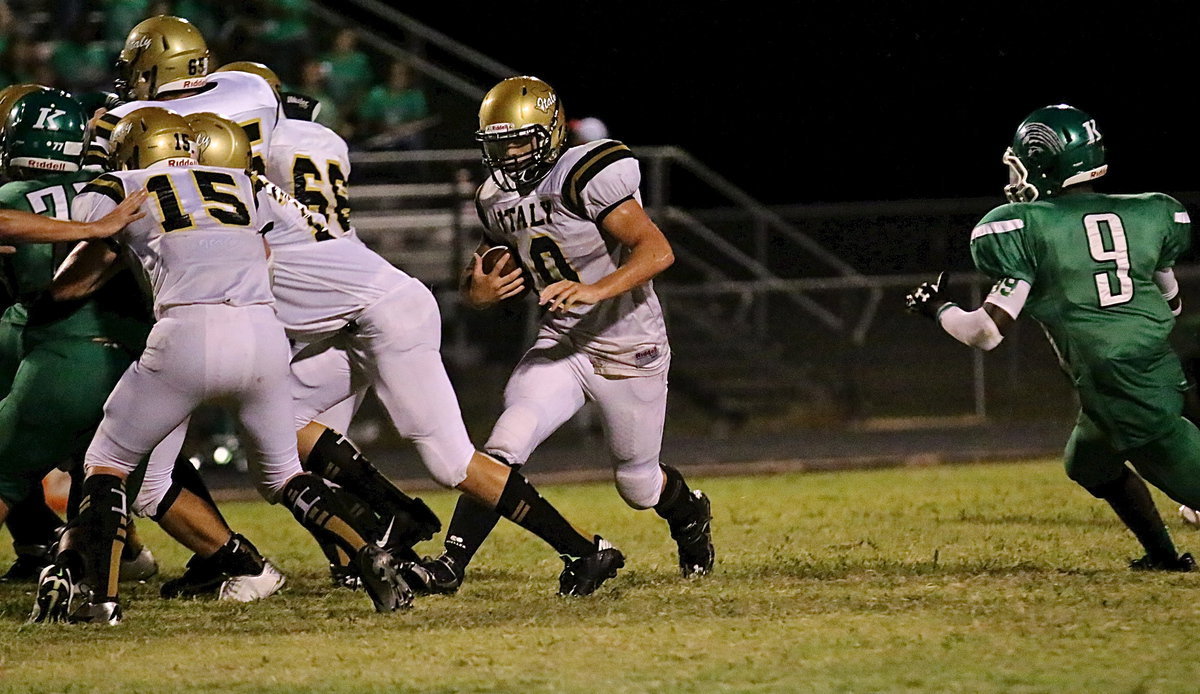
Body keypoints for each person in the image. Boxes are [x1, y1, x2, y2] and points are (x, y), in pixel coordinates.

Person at [161, 104, 626, 599]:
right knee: (278, 421)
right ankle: (398, 512)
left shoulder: (232, 210)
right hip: (353, 321)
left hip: (387, 317)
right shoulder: (259, 194)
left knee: (452, 463)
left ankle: (584, 549)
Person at [30, 107, 411, 625]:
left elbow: (86, 254)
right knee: (284, 477)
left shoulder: (123, 183)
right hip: (262, 331)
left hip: (187, 330)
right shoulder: (243, 182)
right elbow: (272, 248)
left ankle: (101, 600)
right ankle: (372, 558)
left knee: (106, 464)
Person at [406, 76, 715, 595]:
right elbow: (482, 276)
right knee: (500, 448)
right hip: (563, 344)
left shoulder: (586, 174)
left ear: (549, 133)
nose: (506, 154)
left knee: (637, 486)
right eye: (497, 143)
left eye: (517, 140)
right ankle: (450, 564)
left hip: (627, 344)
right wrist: (476, 294)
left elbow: (656, 250)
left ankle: (689, 514)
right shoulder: (494, 197)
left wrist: (597, 289)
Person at [906, 104, 1200, 571]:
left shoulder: (1027, 227)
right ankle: (1163, 558)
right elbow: (1172, 300)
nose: (1014, 174)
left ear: (1045, 162)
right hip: (1129, 373)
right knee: (1087, 464)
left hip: (1126, 385)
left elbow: (985, 333)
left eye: (1021, 162)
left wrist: (936, 308)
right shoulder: (1151, 213)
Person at [0, 87, 158, 580]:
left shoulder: (11, 195)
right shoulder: (115, 187)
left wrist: (86, 231)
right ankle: (104, 564)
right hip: (141, 362)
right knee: (106, 480)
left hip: (61, 352)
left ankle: (54, 553)